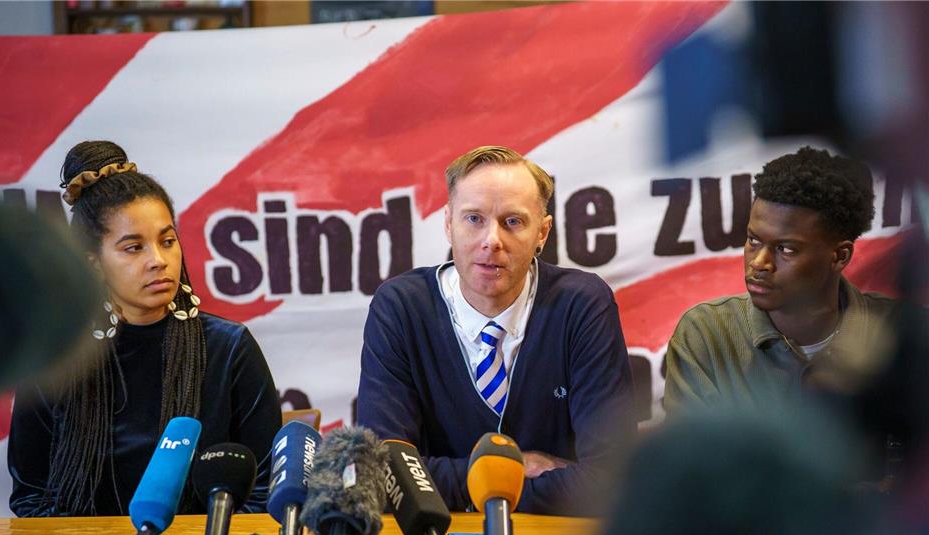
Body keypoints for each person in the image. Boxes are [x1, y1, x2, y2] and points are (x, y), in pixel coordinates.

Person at [357, 146, 635, 516]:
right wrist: (511, 472)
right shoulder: (401, 308)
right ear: (447, 223)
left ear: (543, 232)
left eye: (513, 222)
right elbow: (381, 473)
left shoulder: (582, 305)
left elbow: (612, 479)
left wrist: (445, 480)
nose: (492, 240)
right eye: (474, 219)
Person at [8, 141, 281, 517]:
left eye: (167, 241)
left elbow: (264, 492)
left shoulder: (229, 348)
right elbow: (31, 497)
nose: (158, 261)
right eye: (133, 248)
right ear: (93, 262)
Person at [664, 146, 897, 416]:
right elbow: (694, 456)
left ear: (839, 256)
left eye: (786, 249)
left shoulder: (903, 335)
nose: (759, 262)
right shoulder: (708, 335)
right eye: (753, 240)